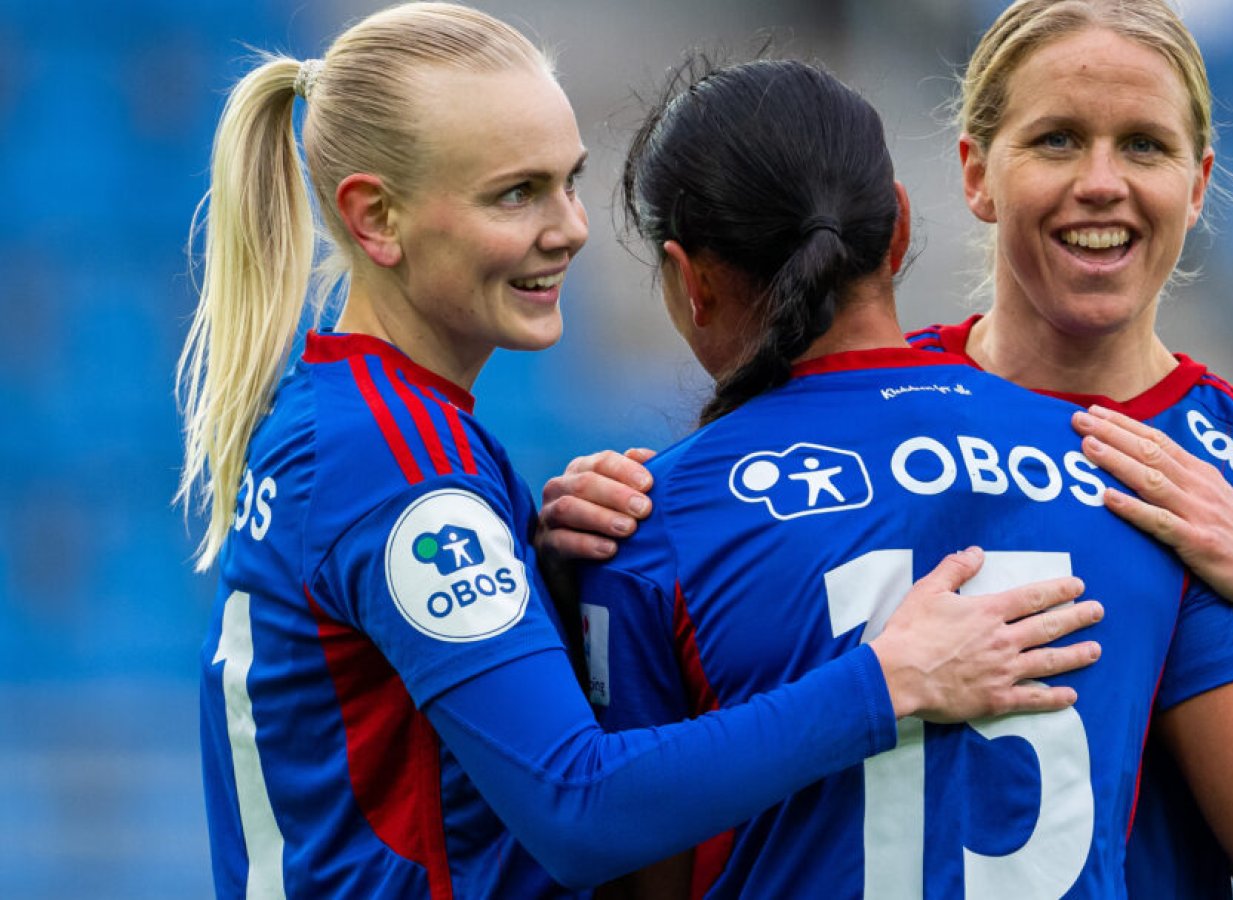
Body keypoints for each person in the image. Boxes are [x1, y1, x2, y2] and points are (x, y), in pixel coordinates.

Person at [541, 1, 1233, 896]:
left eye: (1143, 145)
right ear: (972, 174)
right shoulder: (865, 406)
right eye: (1056, 140)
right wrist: (602, 507)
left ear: (1197, 181)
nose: (1101, 182)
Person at [174, 4, 1106, 897]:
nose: (571, 229)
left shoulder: (379, 427)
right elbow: (579, 805)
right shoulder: (397, 461)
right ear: (377, 219)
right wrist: (887, 682)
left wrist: (543, 575)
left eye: (569, 180)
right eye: (516, 195)